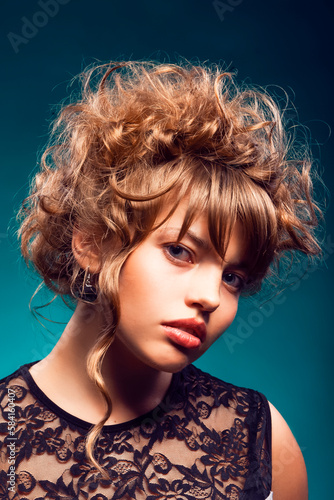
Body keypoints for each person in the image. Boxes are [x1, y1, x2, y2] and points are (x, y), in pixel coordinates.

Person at [0, 60, 321, 499]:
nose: (210, 297)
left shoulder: (257, 440)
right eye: (179, 251)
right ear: (93, 242)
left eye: (232, 277)